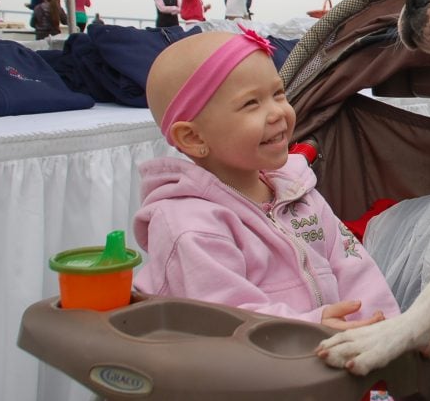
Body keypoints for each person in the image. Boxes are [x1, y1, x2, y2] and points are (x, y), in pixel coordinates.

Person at [134, 27, 399, 331]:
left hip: (327, 354)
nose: (277, 113)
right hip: (256, 369)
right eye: (251, 103)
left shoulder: (298, 192)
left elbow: (354, 266)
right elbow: (225, 319)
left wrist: (386, 329)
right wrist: (311, 328)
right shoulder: (190, 224)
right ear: (193, 137)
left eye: (278, 94)